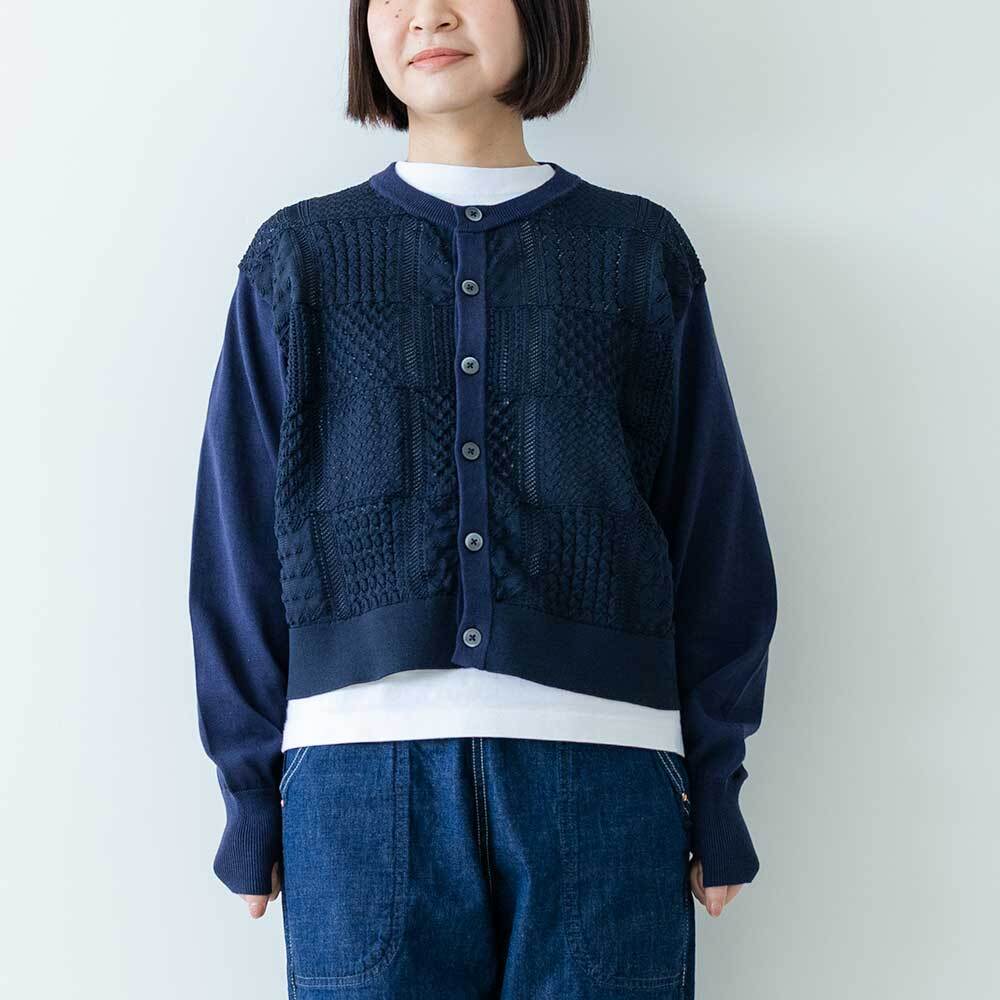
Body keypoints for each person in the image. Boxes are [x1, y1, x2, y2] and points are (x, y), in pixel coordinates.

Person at [188, 1, 778, 996]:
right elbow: (237, 541)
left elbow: (711, 528)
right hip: (358, 786)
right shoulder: (297, 259)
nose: (429, 13)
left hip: (606, 773)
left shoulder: (639, 253)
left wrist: (716, 786)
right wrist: (248, 792)